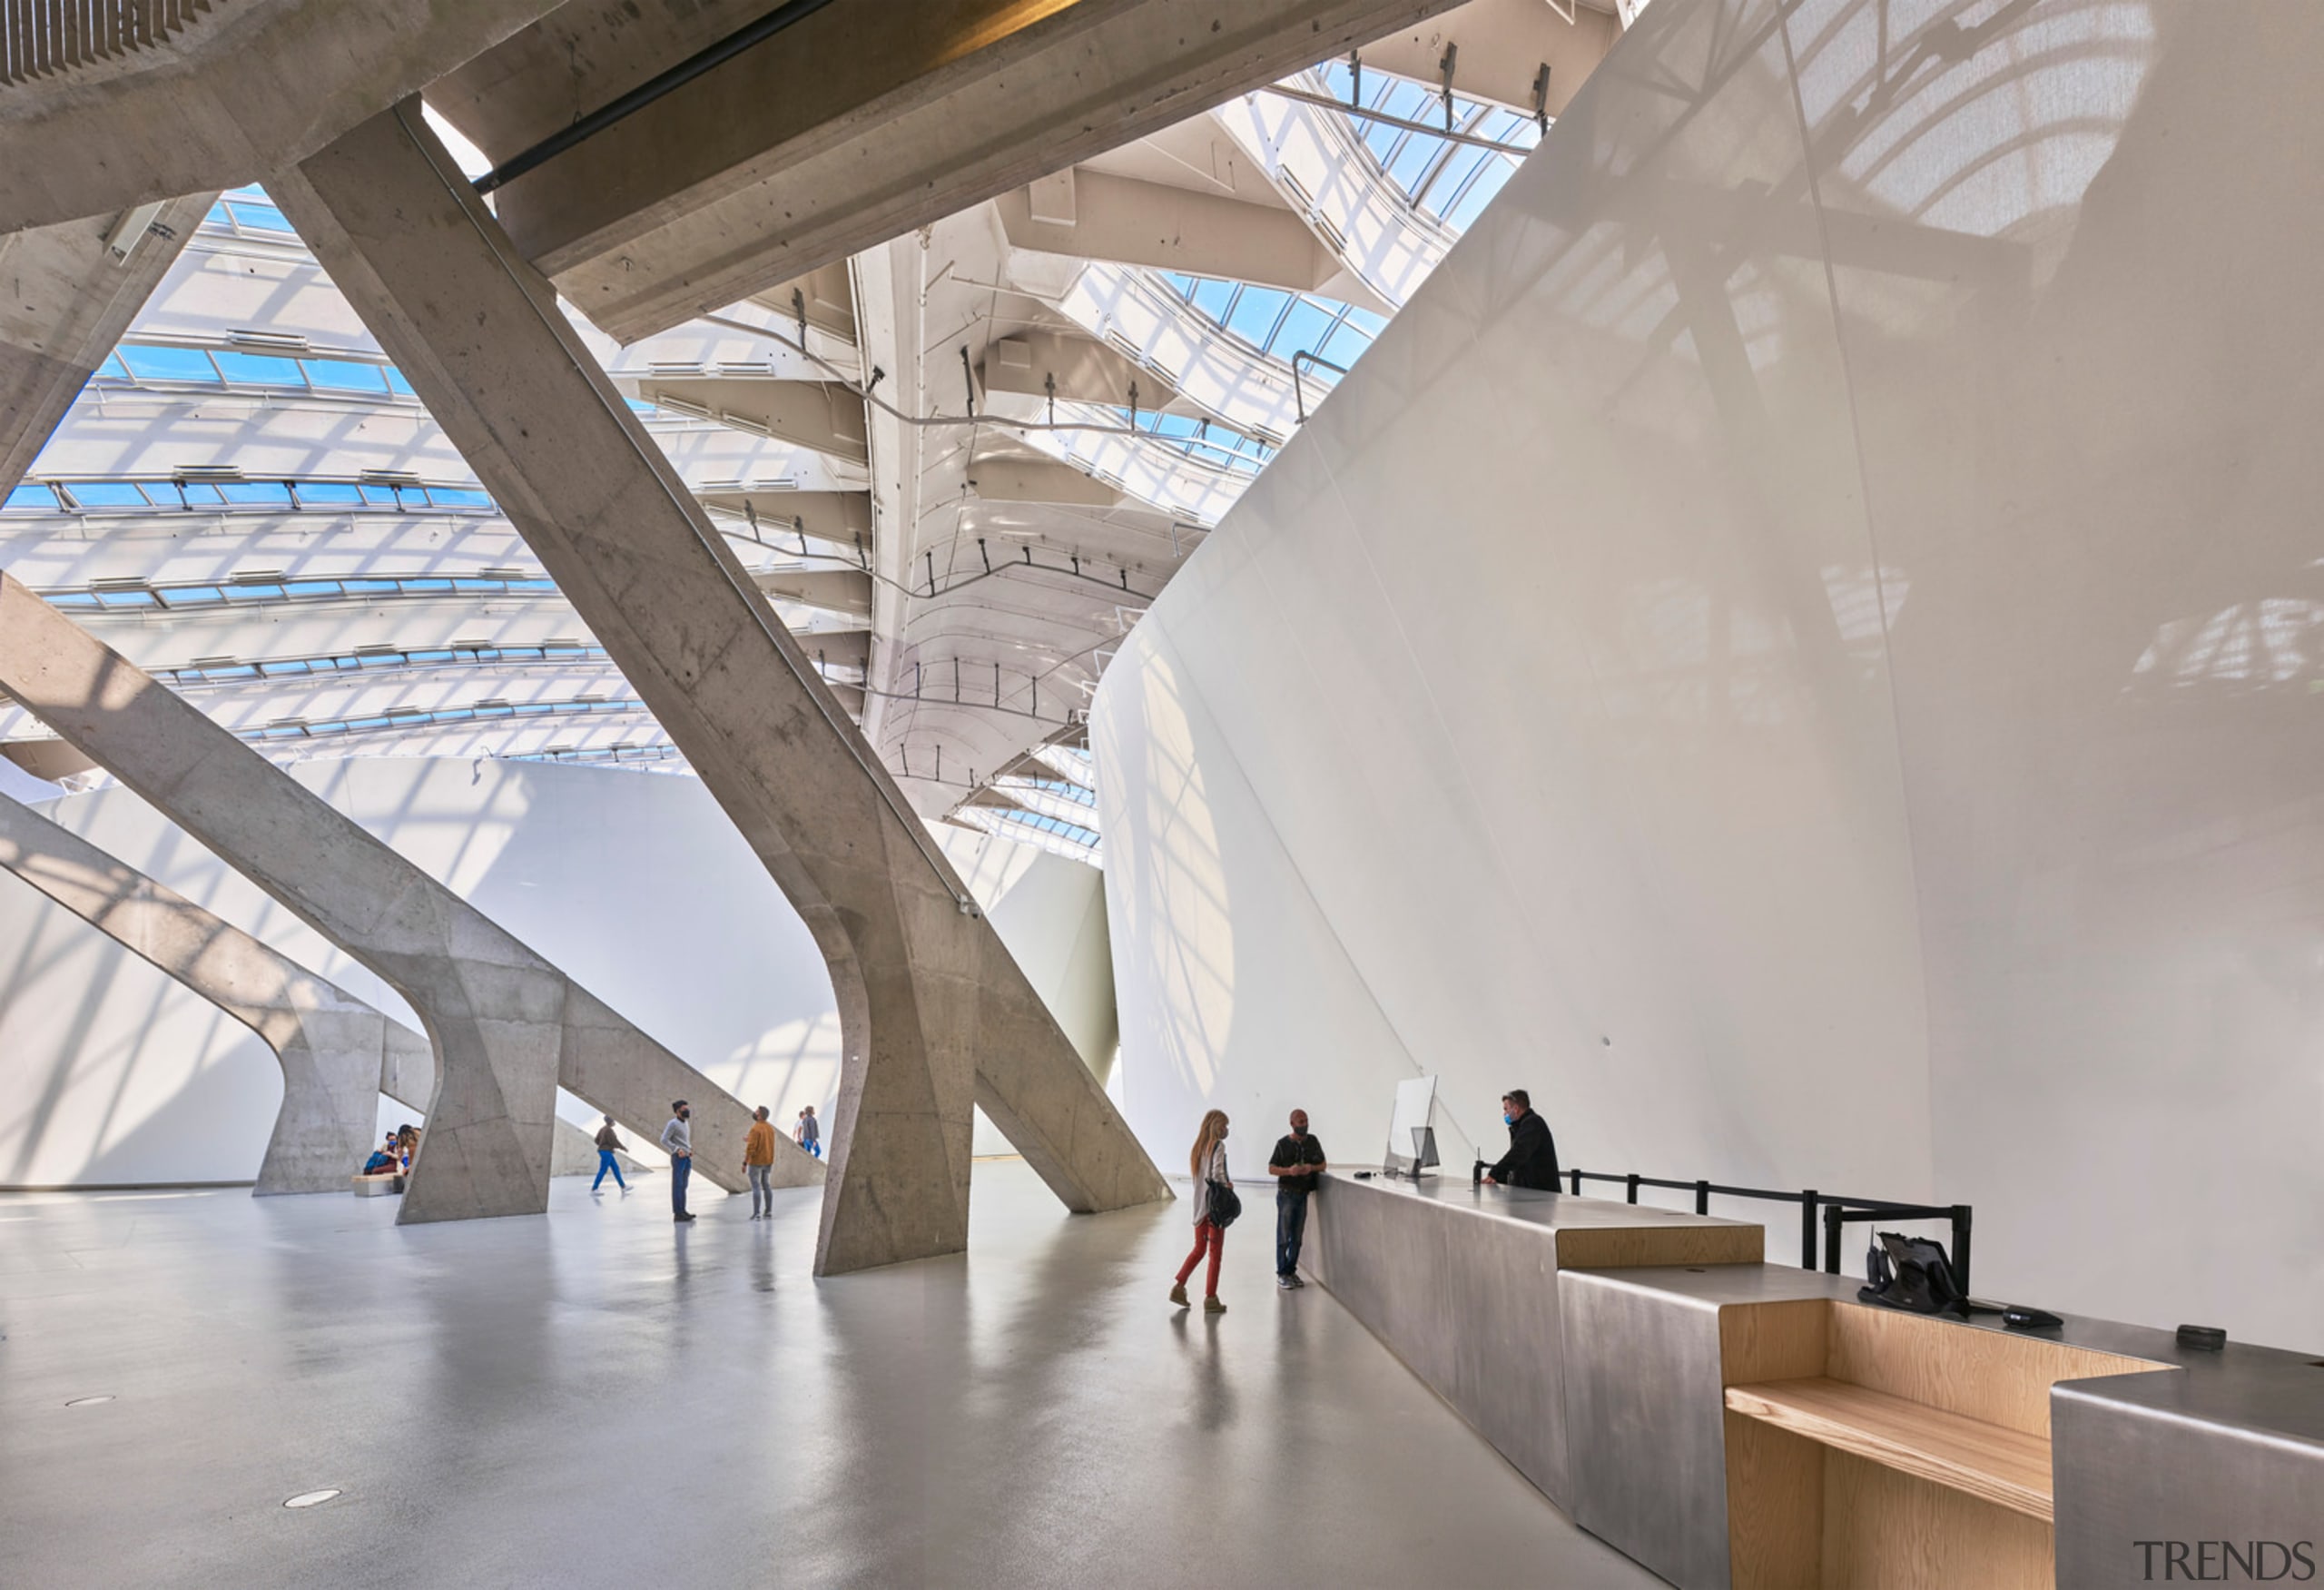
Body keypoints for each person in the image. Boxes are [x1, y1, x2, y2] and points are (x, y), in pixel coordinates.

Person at [1170, 1110, 1233, 1315]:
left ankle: (1179, 1286)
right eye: (1224, 1125)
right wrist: (1226, 1186)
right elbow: (1217, 1174)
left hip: (1199, 1208)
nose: (1226, 1130)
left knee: (1199, 1249)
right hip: (1214, 1209)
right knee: (1215, 1254)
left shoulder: (1197, 1148)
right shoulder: (1218, 1146)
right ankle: (1211, 1298)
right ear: (1216, 1126)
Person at [1266, 1108, 1327, 1290]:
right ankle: (1282, 1273)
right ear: (1292, 1124)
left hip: (1303, 1194)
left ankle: (1291, 1270)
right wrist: (1289, 1171)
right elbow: (1271, 1168)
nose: (1305, 1125)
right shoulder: (1282, 1144)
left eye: (1306, 1121)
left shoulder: (1313, 1141)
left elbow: (1323, 1164)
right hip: (1286, 1193)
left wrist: (1311, 1168)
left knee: (1297, 1237)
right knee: (1284, 1235)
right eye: (1301, 1122)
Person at [1483, 1088, 1561, 1190]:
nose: (1504, 1114)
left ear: (1515, 1109)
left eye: (1506, 1109)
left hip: (1540, 1194)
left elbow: (1519, 1152)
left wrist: (1495, 1173)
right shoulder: (1521, 1127)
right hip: (1530, 1191)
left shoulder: (1532, 1123)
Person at [661, 1100, 694, 1222]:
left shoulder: (686, 1123)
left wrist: (689, 1149)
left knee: (684, 1185)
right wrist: (676, 1149)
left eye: (687, 1108)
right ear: (677, 1111)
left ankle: (683, 1211)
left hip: (687, 1158)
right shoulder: (672, 1124)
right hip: (678, 1158)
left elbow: (684, 1140)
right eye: (684, 1109)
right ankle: (677, 1213)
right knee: (677, 1186)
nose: (687, 1111)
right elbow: (663, 1139)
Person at [743, 1105, 778, 1219]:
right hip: (768, 1160)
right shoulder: (770, 1128)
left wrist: (745, 1162)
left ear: (759, 1115)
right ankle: (768, 1211)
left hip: (756, 1162)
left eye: (756, 1111)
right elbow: (766, 1143)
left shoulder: (755, 1129)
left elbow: (751, 1148)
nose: (755, 1112)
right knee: (766, 1185)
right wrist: (750, 1139)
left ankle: (756, 1213)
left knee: (756, 1187)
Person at [592, 1113, 628, 1192]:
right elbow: (615, 1142)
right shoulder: (609, 1130)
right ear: (610, 1121)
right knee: (603, 1170)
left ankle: (623, 1187)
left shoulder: (603, 1129)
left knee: (616, 1168)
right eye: (613, 1120)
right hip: (606, 1152)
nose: (615, 1122)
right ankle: (594, 1188)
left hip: (606, 1151)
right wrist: (623, 1148)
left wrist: (603, 1144)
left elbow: (596, 1140)